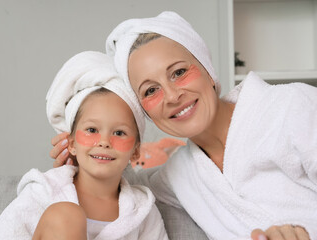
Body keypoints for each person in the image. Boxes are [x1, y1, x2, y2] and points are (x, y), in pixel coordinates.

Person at [50, 12, 317, 240]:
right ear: (146, 112)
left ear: (208, 70)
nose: (172, 96)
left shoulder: (293, 106)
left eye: (179, 72)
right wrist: (81, 161)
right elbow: (124, 187)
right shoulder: (180, 175)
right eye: (151, 90)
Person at [0, 51, 168, 240]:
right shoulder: (45, 191)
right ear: (71, 143)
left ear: (135, 152)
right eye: (92, 130)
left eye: (119, 133)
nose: (104, 142)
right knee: (66, 216)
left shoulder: (143, 210)